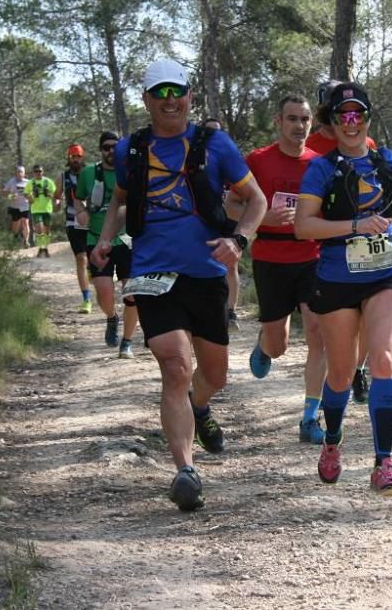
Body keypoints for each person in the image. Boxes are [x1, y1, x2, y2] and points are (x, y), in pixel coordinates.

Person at [91, 59, 266, 511]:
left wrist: (238, 240)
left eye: (178, 92)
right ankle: (185, 471)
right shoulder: (132, 150)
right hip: (152, 273)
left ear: (189, 96)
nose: (171, 101)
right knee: (173, 365)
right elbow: (120, 200)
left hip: (206, 274)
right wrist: (107, 238)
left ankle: (199, 406)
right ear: (147, 100)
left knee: (216, 376)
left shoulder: (215, 144)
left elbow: (256, 200)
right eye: (160, 93)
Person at [294, 81, 392, 497]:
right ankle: (332, 440)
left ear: (367, 118)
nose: (350, 122)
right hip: (337, 277)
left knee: (381, 358)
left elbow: (389, 215)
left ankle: (384, 463)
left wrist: (385, 235)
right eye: (342, 115)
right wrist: (356, 226)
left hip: (384, 273)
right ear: (330, 123)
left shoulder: (385, 161)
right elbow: (303, 225)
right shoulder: (321, 168)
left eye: (357, 114)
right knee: (341, 373)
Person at [238, 94, 326, 444]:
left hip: (312, 256)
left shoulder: (320, 164)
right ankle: (264, 345)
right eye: (292, 119)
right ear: (278, 121)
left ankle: (309, 417)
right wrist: (262, 217)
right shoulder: (258, 161)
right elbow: (230, 204)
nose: (299, 126)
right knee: (279, 346)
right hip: (271, 259)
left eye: (305, 119)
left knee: (318, 333)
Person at [305, 81, 374, 404]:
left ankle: (357, 369)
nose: (348, 120)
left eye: (355, 113)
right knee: (324, 332)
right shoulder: (312, 146)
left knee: (367, 317)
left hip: (365, 248)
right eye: (336, 110)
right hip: (319, 246)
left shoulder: (368, 144)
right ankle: (338, 379)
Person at [75, 131, 138, 359]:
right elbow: (78, 197)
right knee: (104, 291)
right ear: (100, 150)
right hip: (96, 238)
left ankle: (127, 342)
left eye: (115, 147)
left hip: (127, 240)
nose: (111, 151)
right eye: (106, 147)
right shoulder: (89, 173)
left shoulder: (131, 172)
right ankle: (112, 317)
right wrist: (81, 211)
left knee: (132, 293)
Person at [203, 118, 241, 330]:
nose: (213, 137)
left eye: (217, 132)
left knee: (231, 264)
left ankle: (231, 311)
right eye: (208, 132)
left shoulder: (231, 159)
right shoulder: (193, 159)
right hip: (205, 221)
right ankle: (211, 309)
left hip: (229, 219)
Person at [57, 144, 93, 313]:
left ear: (82, 157)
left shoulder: (91, 172)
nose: (75, 160)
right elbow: (56, 196)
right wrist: (56, 202)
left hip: (93, 221)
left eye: (78, 157)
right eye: (72, 157)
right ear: (68, 159)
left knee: (93, 260)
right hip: (73, 222)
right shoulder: (63, 177)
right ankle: (86, 299)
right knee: (81, 258)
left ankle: (93, 276)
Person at [24, 164, 58, 257]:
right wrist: (31, 198)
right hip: (36, 210)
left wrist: (49, 194)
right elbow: (26, 194)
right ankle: (40, 248)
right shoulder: (30, 183)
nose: (38, 173)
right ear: (33, 173)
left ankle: (45, 249)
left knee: (47, 231)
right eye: (36, 171)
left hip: (47, 209)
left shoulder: (48, 182)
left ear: (43, 172)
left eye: (40, 171)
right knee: (39, 229)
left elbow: (56, 195)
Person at [3, 166, 32, 247]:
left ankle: (26, 241)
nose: (19, 173)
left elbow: (33, 193)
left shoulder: (28, 182)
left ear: (24, 173)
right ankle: (15, 236)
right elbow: (4, 192)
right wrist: (11, 196)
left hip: (25, 206)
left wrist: (30, 197)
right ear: (15, 173)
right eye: (18, 172)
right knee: (16, 224)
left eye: (21, 172)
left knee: (25, 222)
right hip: (14, 206)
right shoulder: (11, 181)